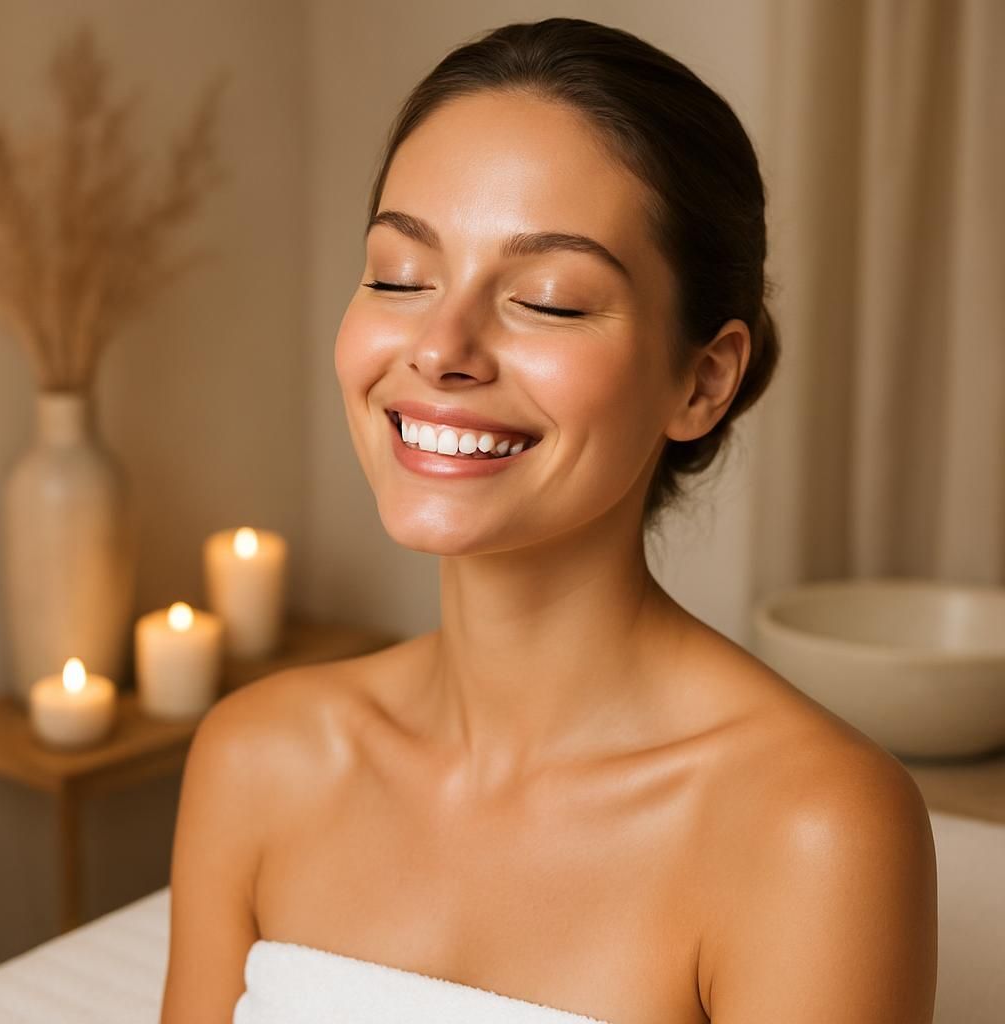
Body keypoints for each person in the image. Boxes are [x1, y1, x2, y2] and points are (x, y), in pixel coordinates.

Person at [160, 17, 937, 1024]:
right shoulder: (256, 757)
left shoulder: (814, 826)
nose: (441, 346)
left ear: (702, 382)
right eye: (399, 276)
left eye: (550, 300)